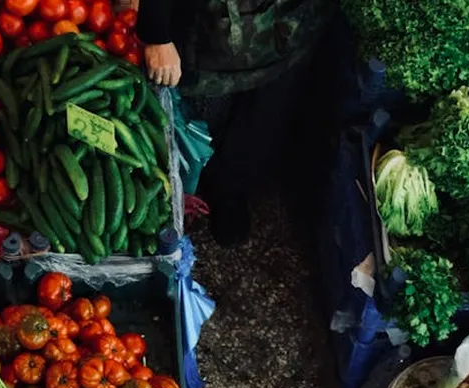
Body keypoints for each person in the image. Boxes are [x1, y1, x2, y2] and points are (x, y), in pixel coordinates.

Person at [136, 0, 337, 246]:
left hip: (291, 26)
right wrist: (156, 34)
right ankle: (198, 187)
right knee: (208, 114)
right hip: (213, 34)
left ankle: (230, 190)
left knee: (263, 114)